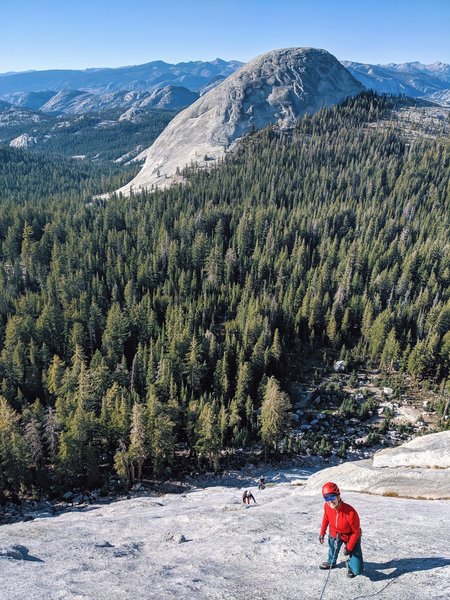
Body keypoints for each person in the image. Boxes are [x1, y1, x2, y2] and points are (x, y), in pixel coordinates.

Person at [318, 482, 364, 578]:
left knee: (358, 570)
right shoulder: (327, 506)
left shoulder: (350, 512)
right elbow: (326, 518)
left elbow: (356, 532)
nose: (330, 501)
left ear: (338, 496)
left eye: (332, 497)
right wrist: (322, 533)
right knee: (332, 549)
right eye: (326, 498)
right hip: (335, 535)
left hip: (350, 536)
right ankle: (331, 562)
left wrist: (349, 547)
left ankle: (350, 565)